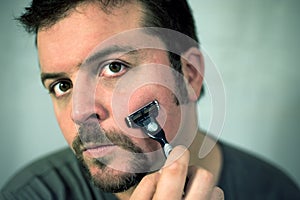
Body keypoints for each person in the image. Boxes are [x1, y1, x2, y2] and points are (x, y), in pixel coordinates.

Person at [1, 0, 299, 199]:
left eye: (114, 67)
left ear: (190, 74)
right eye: (62, 86)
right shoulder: (30, 195)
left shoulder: (273, 191)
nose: (79, 113)